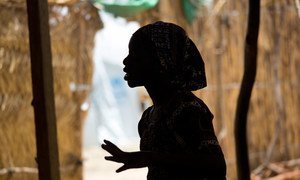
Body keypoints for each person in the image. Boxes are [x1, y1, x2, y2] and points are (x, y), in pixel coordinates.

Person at [101, 21, 226, 179]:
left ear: (161, 62)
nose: (126, 61)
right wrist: (149, 158)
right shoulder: (149, 117)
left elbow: (215, 165)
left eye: (136, 55)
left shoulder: (188, 108)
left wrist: (150, 157)